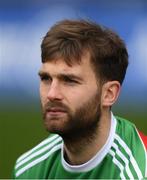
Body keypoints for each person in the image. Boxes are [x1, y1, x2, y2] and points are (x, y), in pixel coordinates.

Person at [12, 19, 147, 179]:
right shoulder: (28, 171)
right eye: (46, 78)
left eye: (69, 80)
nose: (52, 94)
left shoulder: (137, 172)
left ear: (109, 94)